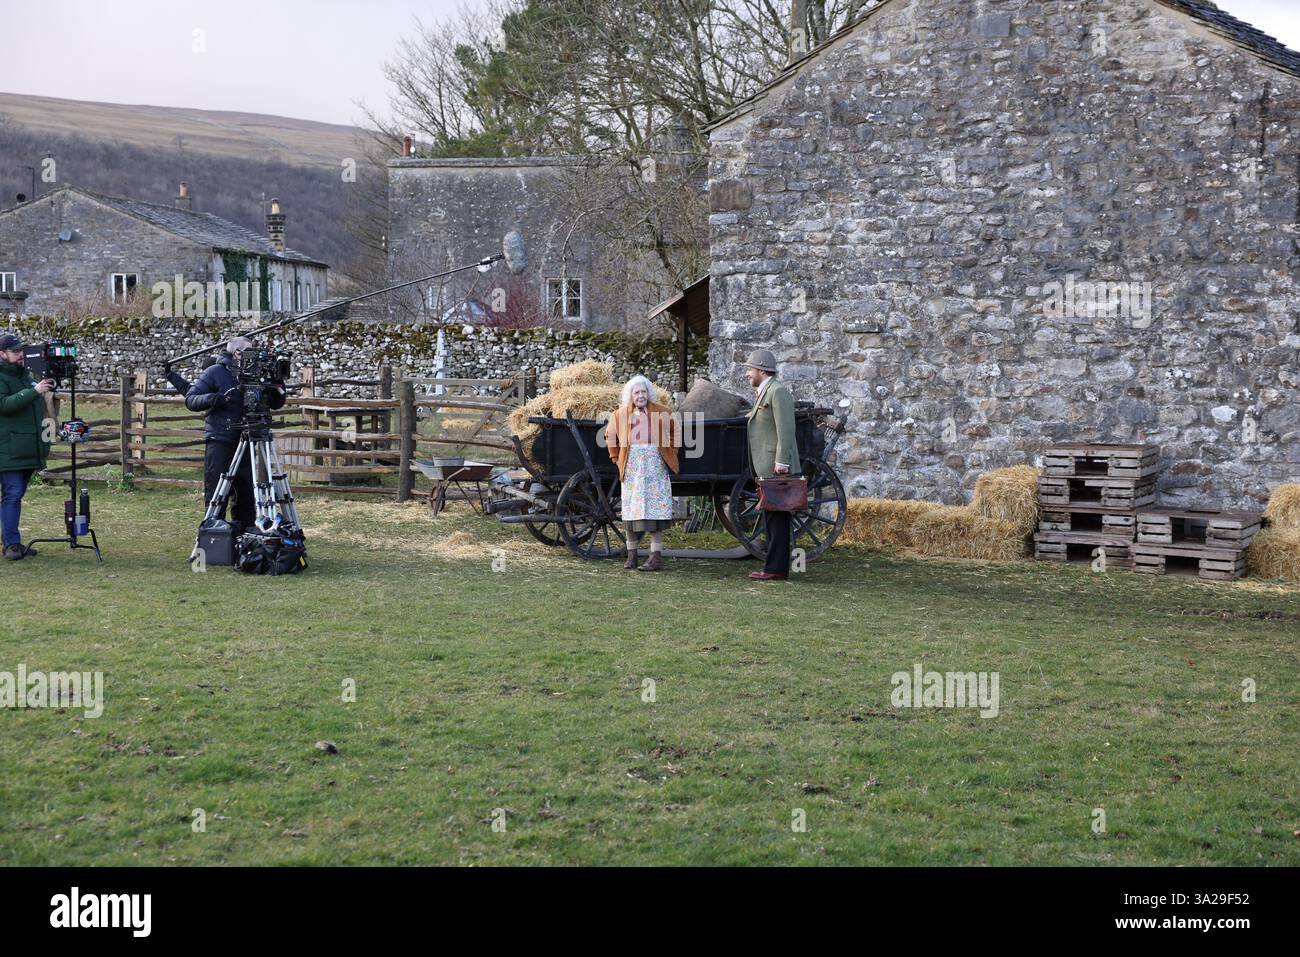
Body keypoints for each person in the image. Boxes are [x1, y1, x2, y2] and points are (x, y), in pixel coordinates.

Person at [185, 337, 285, 531]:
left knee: (246, 491)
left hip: (247, 438)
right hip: (221, 438)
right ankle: (214, 533)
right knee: (217, 490)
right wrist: (213, 399)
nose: (255, 356)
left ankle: (245, 533)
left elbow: (276, 403)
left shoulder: (256, 374)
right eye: (251, 352)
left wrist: (278, 381)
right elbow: (191, 399)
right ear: (237, 353)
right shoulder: (215, 372)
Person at [605, 375, 679, 571]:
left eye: (643, 391)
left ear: (649, 393)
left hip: (655, 466)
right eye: (636, 392)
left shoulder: (662, 412)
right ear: (630, 395)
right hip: (632, 469)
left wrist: (671, 451)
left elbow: (675, 431)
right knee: (631, 511)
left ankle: (655, 558)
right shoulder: (619, 415)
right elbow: (610, 437)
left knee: (655, 513)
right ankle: (632, 556)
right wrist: (615, 458)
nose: (640, 395)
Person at [743, 349, 801, 581]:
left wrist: (781, 462)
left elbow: (785, 430)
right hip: (766, 467)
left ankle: (775, 569)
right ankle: (774, 567)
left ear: (762, 370)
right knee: (773, 518)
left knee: (778, 520)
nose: (748, 373)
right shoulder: (764, 391)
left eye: (750, 369)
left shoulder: (777, 392)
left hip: (776, 466)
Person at [0, 333, 55, 560]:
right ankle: (12, 545)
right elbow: (4, 404)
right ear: (2, 354)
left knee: (15, 495)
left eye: (21, 350)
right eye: (15, 351)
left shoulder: (26, 375)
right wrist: (34, 391)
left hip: (26, 448)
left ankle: (12, 542)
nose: (20, 354)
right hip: (8, 449)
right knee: (12, 495)